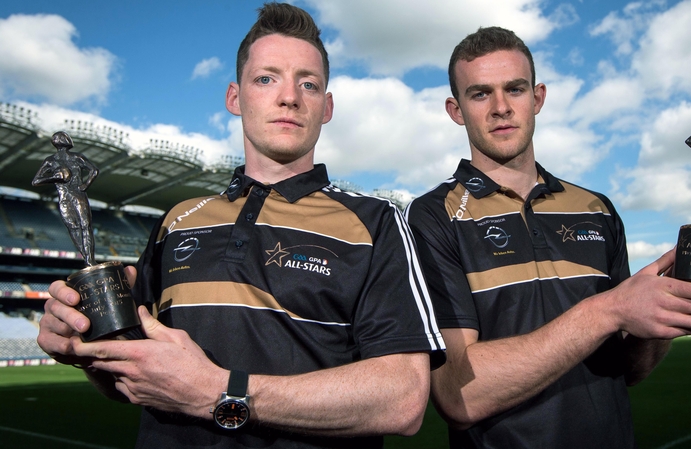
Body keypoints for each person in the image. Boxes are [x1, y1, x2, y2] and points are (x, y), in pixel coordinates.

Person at [36, 3, 444, 448]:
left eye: (308, 83)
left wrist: (219, 392)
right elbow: (136, 377)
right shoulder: (177, 221)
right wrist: (83, 348)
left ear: (326, 108)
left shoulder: (376, 222)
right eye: (266, 78)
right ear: (235, 97)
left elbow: (402, 398)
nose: (289, 96)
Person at [404, 27, 691, 448]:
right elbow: (457, 394)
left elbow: (628, 369)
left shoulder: (596, 208)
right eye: (481, 93)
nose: (501, 107)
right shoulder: (433, 216)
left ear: (537, 97)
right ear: (456, 109)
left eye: (516, 89)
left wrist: (668, 315)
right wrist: (607, 310)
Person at [31, 131, 98, 266]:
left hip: (78, 195)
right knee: (72, 227)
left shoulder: (77, 157)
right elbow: (36, 181)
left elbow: (94, 170)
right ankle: (86, 258)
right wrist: (55, 178)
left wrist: (85, 184)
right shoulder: (50, 161)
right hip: (64, 197)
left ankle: (90, 259)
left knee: (85, 225)